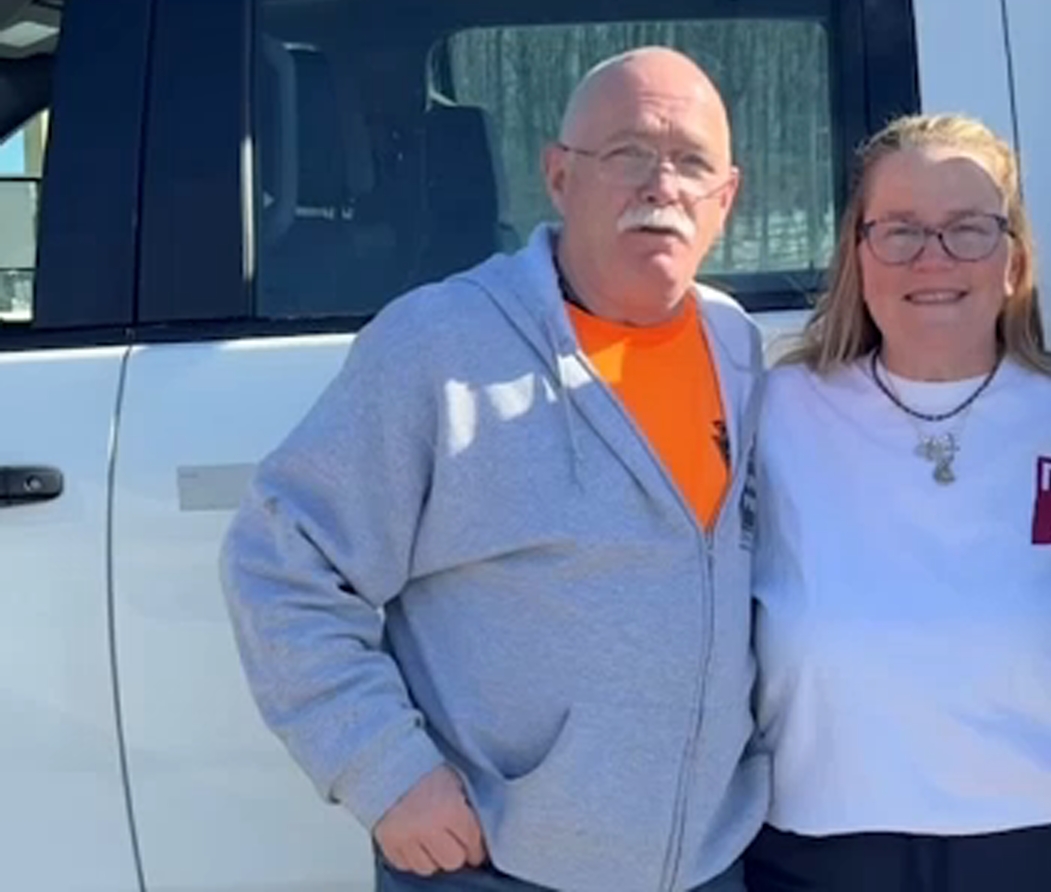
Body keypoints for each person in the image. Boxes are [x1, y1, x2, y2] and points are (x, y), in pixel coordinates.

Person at [220, 47, 768, 892]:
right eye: (626, 153)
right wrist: (383, 770)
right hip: (497, 867)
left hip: (704, 865)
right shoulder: (439, 346)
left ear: (724, 199)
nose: (661, 186)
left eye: (691, 162)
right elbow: (282, 560)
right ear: (558, 176)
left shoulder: (737, 347)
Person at [742, 113, 1051, 892]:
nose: (933, 258)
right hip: (823, 845)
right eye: (900, 231)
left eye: (967, 229)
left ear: (1015, 262)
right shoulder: (779, 407)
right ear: (858, 254)